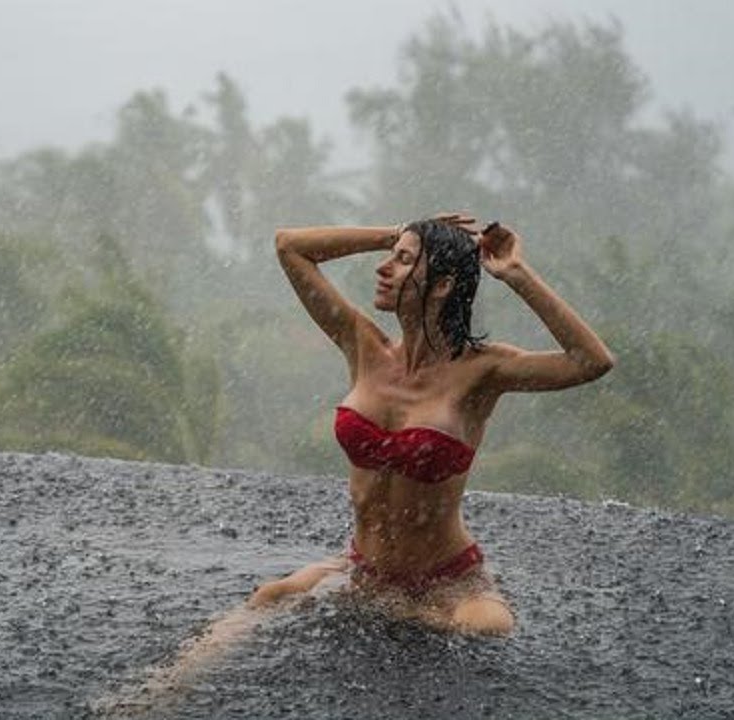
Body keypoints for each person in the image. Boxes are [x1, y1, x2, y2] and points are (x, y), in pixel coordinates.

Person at [98, 214, 613, 713]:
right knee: (270, 596)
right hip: (364, 570)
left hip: (449, 582)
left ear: (441, 286)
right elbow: (290, 246)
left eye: (403, 260)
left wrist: (516, 273)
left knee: (486, 630)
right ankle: (151, 700)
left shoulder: (483, 370)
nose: (383, 267)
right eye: (390, 256)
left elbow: (591, 361)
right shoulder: (364, 344)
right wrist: (398, 232)